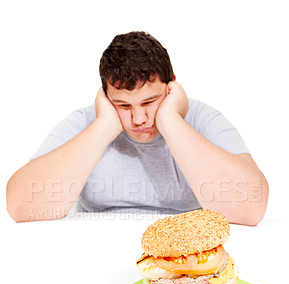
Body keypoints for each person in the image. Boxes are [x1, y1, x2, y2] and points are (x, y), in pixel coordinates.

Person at [6, 31, 269, 225]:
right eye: (123, 105)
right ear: (105, 97)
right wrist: (105, 126)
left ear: (171, 86)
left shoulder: (201, 118)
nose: (139, 119)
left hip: (180, 251)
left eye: (149, 102)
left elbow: (251, 210)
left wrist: (170, 120)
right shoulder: (87, 122)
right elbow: (20, 207)